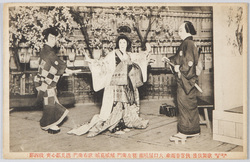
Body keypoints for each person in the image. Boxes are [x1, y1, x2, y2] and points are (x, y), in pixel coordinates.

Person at [68, 26, 151, 137]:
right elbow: (102, 63)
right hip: (115, 86)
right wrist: (92, 61)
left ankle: (123, 124)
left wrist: (147, 52)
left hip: (127, 85)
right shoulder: (112, 54)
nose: (122, 44)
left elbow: (139, 58)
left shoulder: (129, 55)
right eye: (120, 42)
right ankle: (114, 127)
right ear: (118, 44)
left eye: (124, 43)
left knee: (126, 105)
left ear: (127, 44)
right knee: (116, 106)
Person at [162, 21, 202, 143]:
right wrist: (169, 59)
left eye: (180, 30)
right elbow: (178, 58)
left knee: (185, 105)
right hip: (185, 80)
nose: (178, 32)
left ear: (187, 31)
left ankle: (184, 132)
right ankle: (193, 131)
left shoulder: (188, 43)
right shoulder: (185, 43)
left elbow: (189, 63)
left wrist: (179, 68)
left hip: (186, 80)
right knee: (187, 106)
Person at [34, 27, 78, 134]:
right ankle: (49, 124)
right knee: (50, 102)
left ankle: (50, 123)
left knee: (51, 101)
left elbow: (54, 64)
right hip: (47, 81)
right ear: (45, 39)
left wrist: (63, 69)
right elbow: (57, 63)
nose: (53, 40)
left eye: (54, 38)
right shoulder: (49, 52)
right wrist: (66, 69)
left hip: (45, 80)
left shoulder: (46, 50)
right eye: (51, 38)